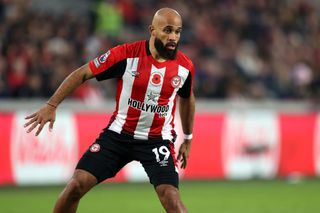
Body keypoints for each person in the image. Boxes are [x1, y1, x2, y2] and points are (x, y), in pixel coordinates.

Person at [24, 7, 195, 213]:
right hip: (118, 137)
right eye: (167, 30)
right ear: (152, 30)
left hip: (157, 141)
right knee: (76, 185)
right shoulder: (126, 55)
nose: (173, 37)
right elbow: (83, 73)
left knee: (171, 197)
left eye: (177, 31)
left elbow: (187, 98)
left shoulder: (184, 67)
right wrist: (52, 105)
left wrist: (187, 137)